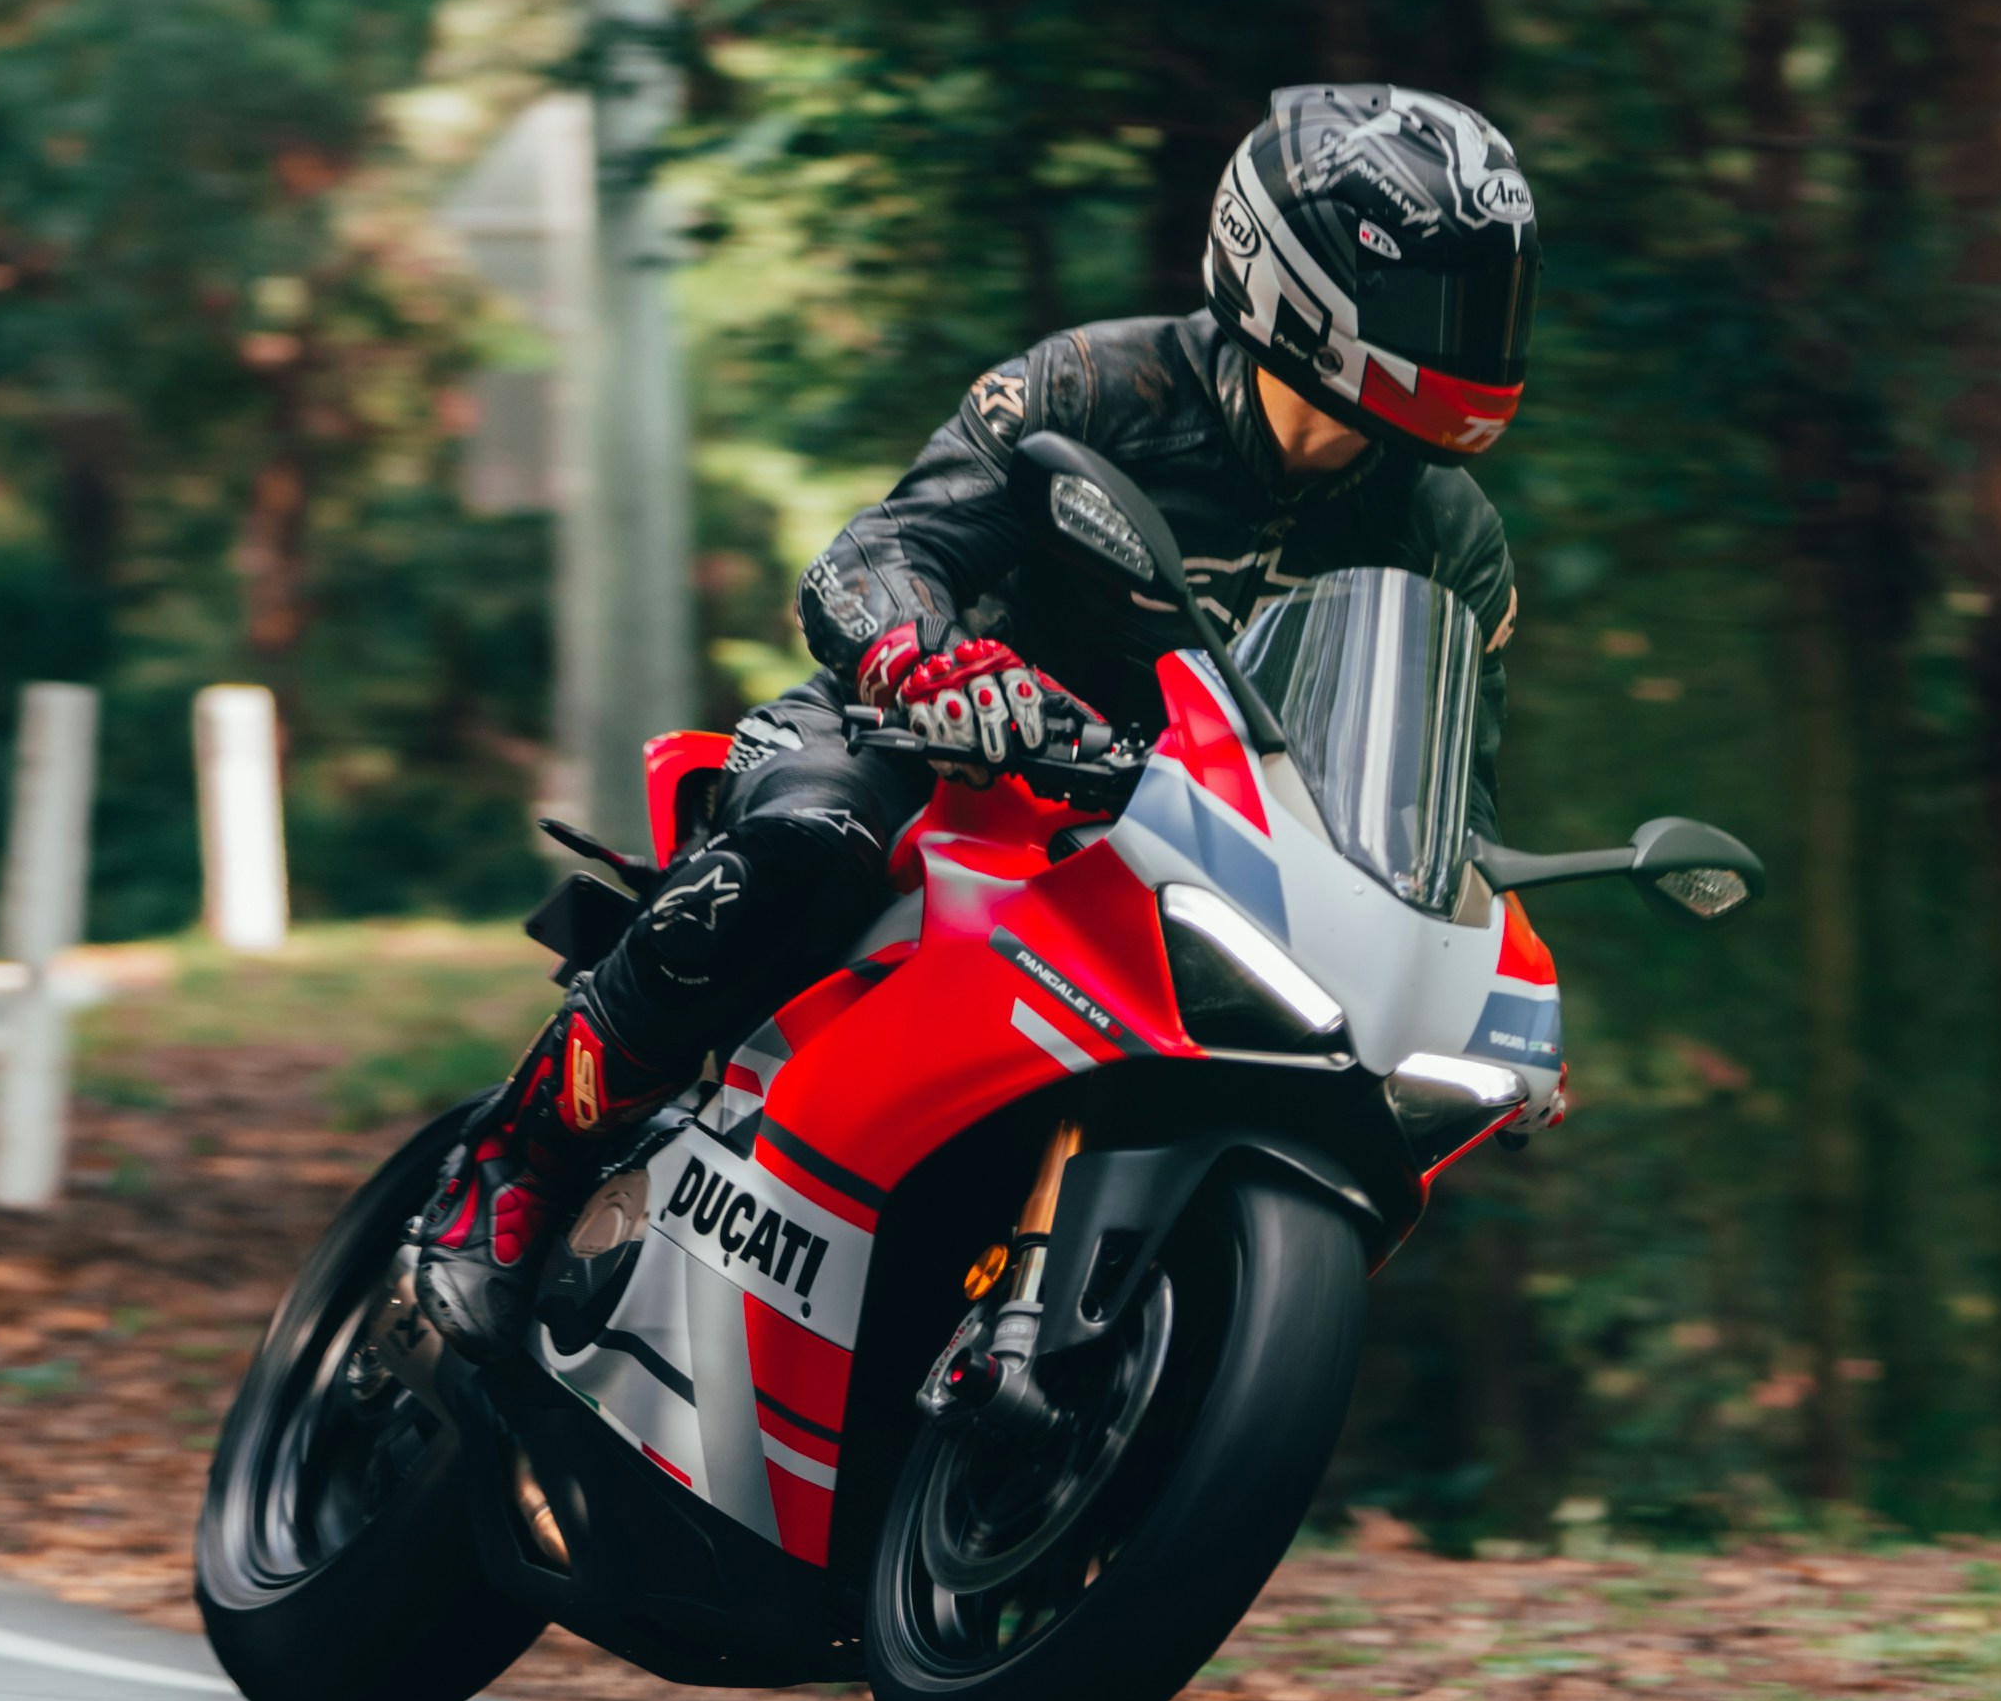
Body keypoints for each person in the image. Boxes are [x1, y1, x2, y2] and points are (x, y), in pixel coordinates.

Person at [426, 82, 1540, 1287]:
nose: (1468, 336)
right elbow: (872, 558)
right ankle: (518, 1156)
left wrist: (1474, 948)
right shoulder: (1098, 390)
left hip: (1197, 853)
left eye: (1489, 302)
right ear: (1311, 275)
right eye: (1441, 301)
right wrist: (930, 662)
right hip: (928, 750)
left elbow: (1448, 799)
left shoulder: (1451, 540)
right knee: (807, 846)